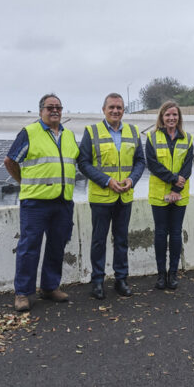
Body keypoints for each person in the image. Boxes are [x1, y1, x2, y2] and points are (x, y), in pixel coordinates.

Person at [3, 93, 78, 312]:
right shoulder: (29, 132)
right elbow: (10, 161)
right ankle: (23, 293)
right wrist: (24, 182)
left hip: (63, 201)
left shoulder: (68, 135)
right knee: (29, 247)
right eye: (50, 107)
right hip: (35, 202)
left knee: (57, 245)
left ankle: (50, 287)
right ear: (41, 110)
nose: (55, 111)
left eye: (58, 107)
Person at [78, 93, 145, 299]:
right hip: (101, 197)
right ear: (104, 110)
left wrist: (131, 179)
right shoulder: (92, 131)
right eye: (112, 107)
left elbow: (140, 161)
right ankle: (97, 281)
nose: (115, 111)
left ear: (123, 110)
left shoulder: (133, 131)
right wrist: (107, 181)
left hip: (124, 196)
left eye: (119, 108)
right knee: (99, 241)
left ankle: (121, 279)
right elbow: (83, 163)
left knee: (122, 239)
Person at [144, 101, 194, 290]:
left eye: (174, 115)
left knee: (175, 233)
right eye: (167, 115)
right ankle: (161, 275)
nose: (171, 118)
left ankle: (173, 274)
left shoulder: (187, 138)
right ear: (162, 117)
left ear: (179, 117)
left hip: (180, 195)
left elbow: (187, 166)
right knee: (160, 233)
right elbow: (152, 164)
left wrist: (176, 189)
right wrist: (173, 179)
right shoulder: (152, 137)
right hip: (159, 194)